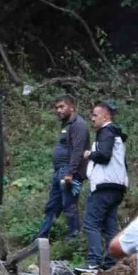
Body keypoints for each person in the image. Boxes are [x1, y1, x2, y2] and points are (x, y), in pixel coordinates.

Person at [79, 102, 128, 272]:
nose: (91, 118)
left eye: (94, 115)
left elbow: (104, 155)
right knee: (110, 227)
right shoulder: (115, 135)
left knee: (91, 223)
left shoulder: (106, 132)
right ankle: (110, 263)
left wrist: (89, 154)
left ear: (105, 117)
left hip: (104, 187)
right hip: (117, 187)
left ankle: (93, 261)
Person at [33, 95, 89, 241]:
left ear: (72, 107)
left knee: (69, 205)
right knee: (52, 205)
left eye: (62, 107)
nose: (59, 110)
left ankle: (73, 239)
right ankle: (41, 236)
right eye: (57, 107)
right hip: (60, 171)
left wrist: (71, 172)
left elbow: (78, 150)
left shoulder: (79, 124)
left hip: (68, 172)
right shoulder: (67, 124)